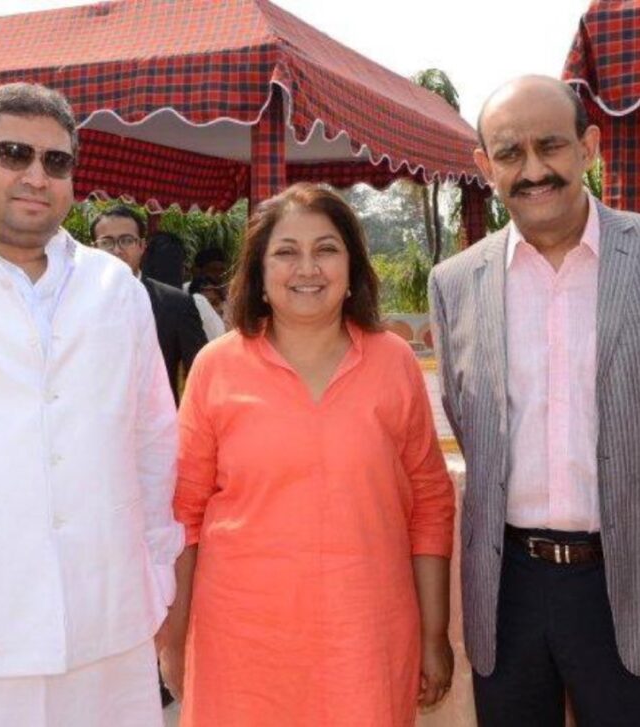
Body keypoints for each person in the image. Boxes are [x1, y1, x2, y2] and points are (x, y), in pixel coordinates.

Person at [0, 83, 183, 727]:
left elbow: (152, 439)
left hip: (104, 616)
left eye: (56, 161)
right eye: (13, 153)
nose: (36, 176)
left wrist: (158, 575)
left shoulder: (114, 287)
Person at [428, 75, 640, 727]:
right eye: (510, 153)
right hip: (510, 589)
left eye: (551, 146)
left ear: (588, 147)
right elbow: (469, 421)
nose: (534, 170)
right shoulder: (455, 284)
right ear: (485, 166)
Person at [157, 182, 456, 726]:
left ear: (352, 269)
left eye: (326, 249)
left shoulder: (394, 365)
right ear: (260, 276)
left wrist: (434, 633)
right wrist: (173, 639)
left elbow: (431, 506)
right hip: (241, 643)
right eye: (286, 252)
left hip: (366, 641)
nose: (307, 268)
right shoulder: (216, 367)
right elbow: (186, 515)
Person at [90, 205, 207, 404]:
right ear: (93, 248)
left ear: (142, 246)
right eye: (107, 242)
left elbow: (201, 374)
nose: (117, 250)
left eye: (127, 240)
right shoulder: (75, 301)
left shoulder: (174, 303)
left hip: (156, 426)